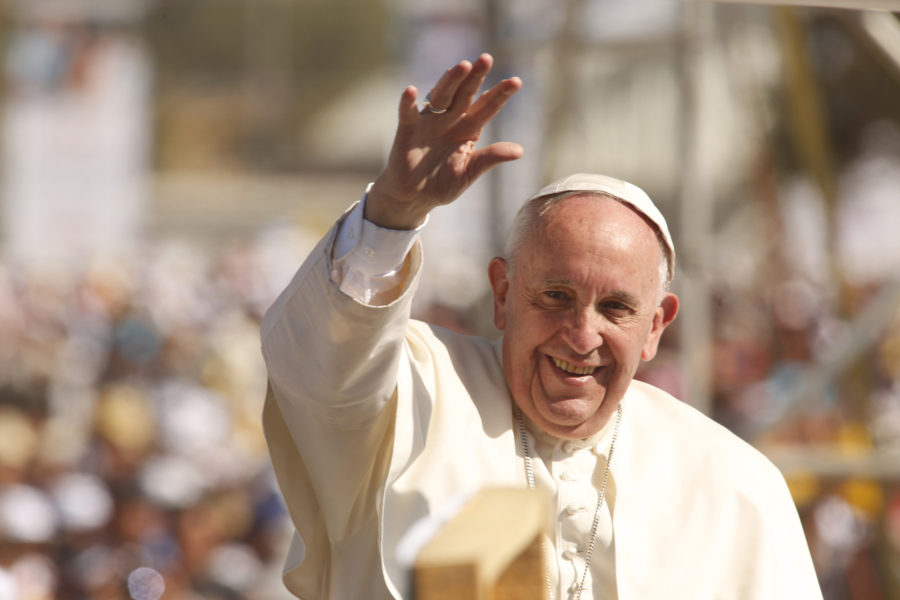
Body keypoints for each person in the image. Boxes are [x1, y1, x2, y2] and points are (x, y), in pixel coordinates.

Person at [260, 54, 822, 599]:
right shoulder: (412, 397)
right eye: (556, 297)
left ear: (656, 327)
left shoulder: (735, 485)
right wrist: (392, 215)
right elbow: (321, 359)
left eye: (617, 309)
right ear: (503, 295)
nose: (582, 336)